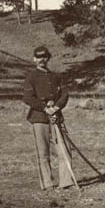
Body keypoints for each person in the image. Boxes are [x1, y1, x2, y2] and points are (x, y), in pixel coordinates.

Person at [23, 45, 74, 190]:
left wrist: (56, 107)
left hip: (56, 116)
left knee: (64, 148)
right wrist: (45, 108)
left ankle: (66, 181)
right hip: (39, 117)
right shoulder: (31, 76)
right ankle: (47, 183)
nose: (42, 60)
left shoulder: (55, 76)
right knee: (43, 152)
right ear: (34, 59)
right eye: (38, 57)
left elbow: (64, 94)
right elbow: (28, 97)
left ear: (48, 58)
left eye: (44, 57)